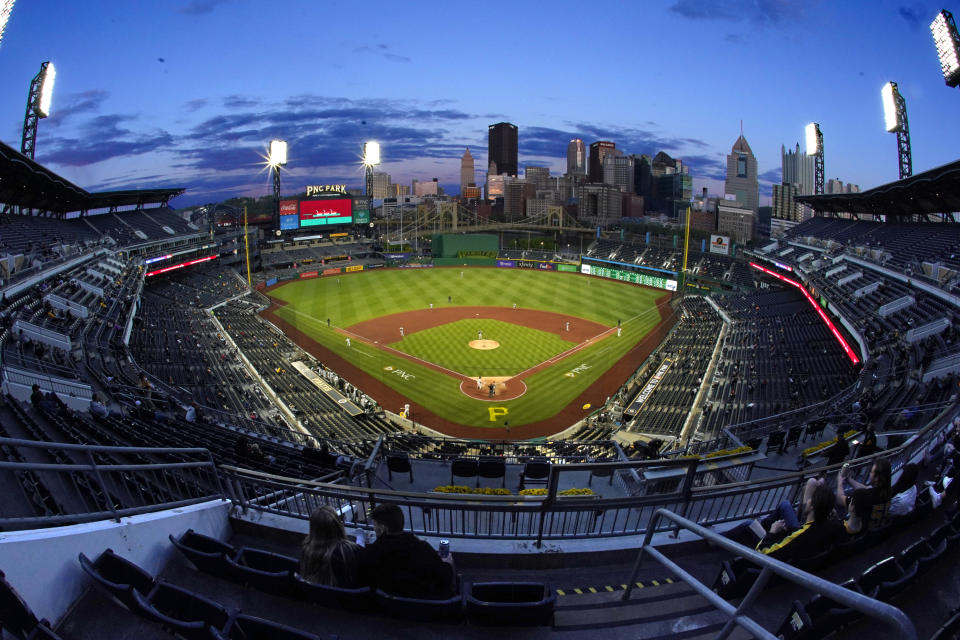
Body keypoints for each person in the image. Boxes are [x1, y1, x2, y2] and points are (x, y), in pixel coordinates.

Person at [358, 504, 454, 599]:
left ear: (383, 528)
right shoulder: (422, 548)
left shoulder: (373, 552)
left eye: (374, 525)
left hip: (389, 607)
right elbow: (445, 578)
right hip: (424, 607)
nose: (373, 528)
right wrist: (448, 564)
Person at [756, 484, 845, 563]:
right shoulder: (835, 527)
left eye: (810, 498)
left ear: (812, 506)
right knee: (785, 505)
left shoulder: (801, 535)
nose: (807, 501)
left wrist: (772, 532)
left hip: (770, 569)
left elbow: (764, 553)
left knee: (747, 525)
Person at [299, 505, 363, 588]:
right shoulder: (348, 550)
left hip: (315, 596)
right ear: (337, 525)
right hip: (343, 598)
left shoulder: (307, 548)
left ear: (313, 528)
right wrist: (361, 538)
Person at [837, 458, 891, 534]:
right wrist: (849, 479)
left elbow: (840, 499)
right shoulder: (887, 492)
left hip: (861, 531)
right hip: (874, 531)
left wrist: (839, 481)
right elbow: (867, 489)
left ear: (876, 478)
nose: (869, 474)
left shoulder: (863, 496)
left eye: (871, 472)